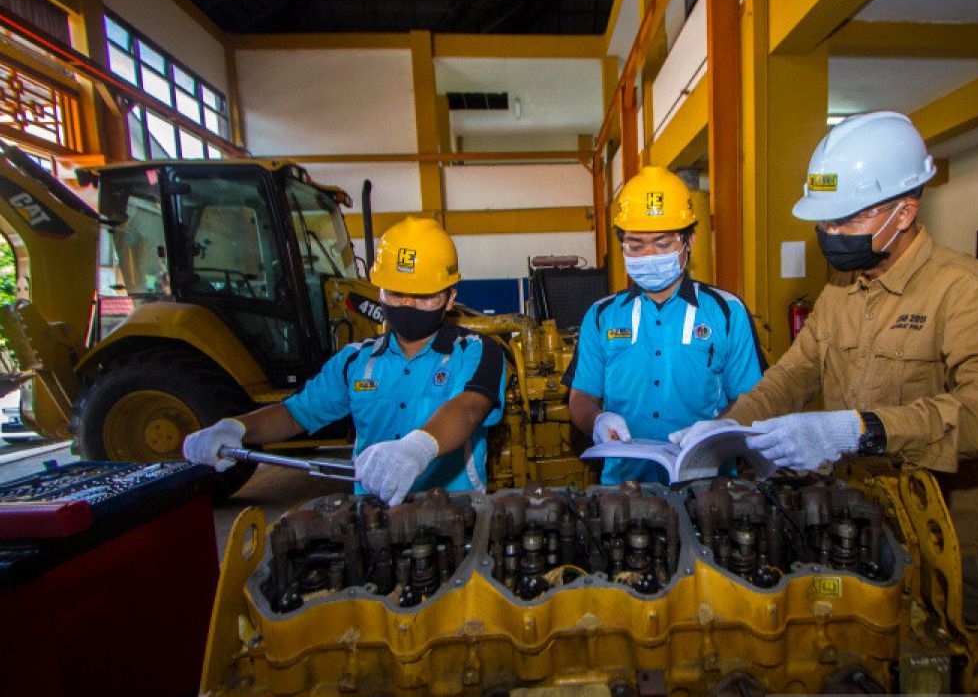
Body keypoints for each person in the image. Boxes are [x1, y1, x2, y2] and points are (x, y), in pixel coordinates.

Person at [674, 111, 978, 692]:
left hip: (965, 551)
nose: (831, 233)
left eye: (846, 218)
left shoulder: (966, 290)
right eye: (825, 220)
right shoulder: (842, 290)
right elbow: (791, 375)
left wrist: (858, 430)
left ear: (904, 213)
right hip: (868, 534)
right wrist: (719, 430)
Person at [183, 216, 506, 505]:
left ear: (450, 297)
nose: (408, 304)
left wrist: (418, 448)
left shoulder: (476, 350)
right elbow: (295, 414)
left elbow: (468, 408)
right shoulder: (354, 361)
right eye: (396, 293)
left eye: (424, 296)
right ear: (378, 291)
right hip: (372, 516)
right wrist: (236, 427)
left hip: (454, 513)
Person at [564, 165, 767, 484]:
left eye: (662, 244)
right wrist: (598, 419)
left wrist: (718, 429)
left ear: (690, 241)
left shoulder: (728, 313)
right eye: (635, 245)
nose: (648, 255)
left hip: (709, 483)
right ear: (621, 245)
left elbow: (752, 398)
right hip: (624, 486)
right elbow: (580, 398)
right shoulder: (601, 316)